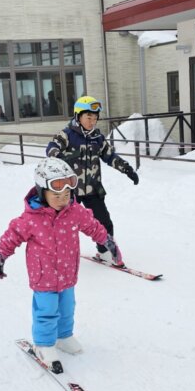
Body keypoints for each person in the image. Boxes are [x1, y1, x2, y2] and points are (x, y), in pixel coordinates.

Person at [0, 157, 123, 373]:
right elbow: (12, 236)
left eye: (67, 195)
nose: (63, 200)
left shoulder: (75, 212)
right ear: (42, 192)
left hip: (68, 273)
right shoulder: (31, 219)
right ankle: (44, 345)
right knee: (46, 311)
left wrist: (107, 241)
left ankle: (63, 336)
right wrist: (0, 256)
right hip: (44, 276)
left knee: (67, 308)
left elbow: (93, 226)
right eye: (57, 196)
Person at [46, 95, 139, 264]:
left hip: (93, 189)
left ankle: (104, 251)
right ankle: (58, 252)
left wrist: (126, 168)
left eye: (95, 118)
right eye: (88, 117)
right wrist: (57, 156)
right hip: (70, 190)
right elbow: (52, 147)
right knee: (64, 224)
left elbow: (110, 156)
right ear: (78, 116)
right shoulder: (66, 135)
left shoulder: (97, 138)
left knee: (104, 222)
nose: (92, 121)